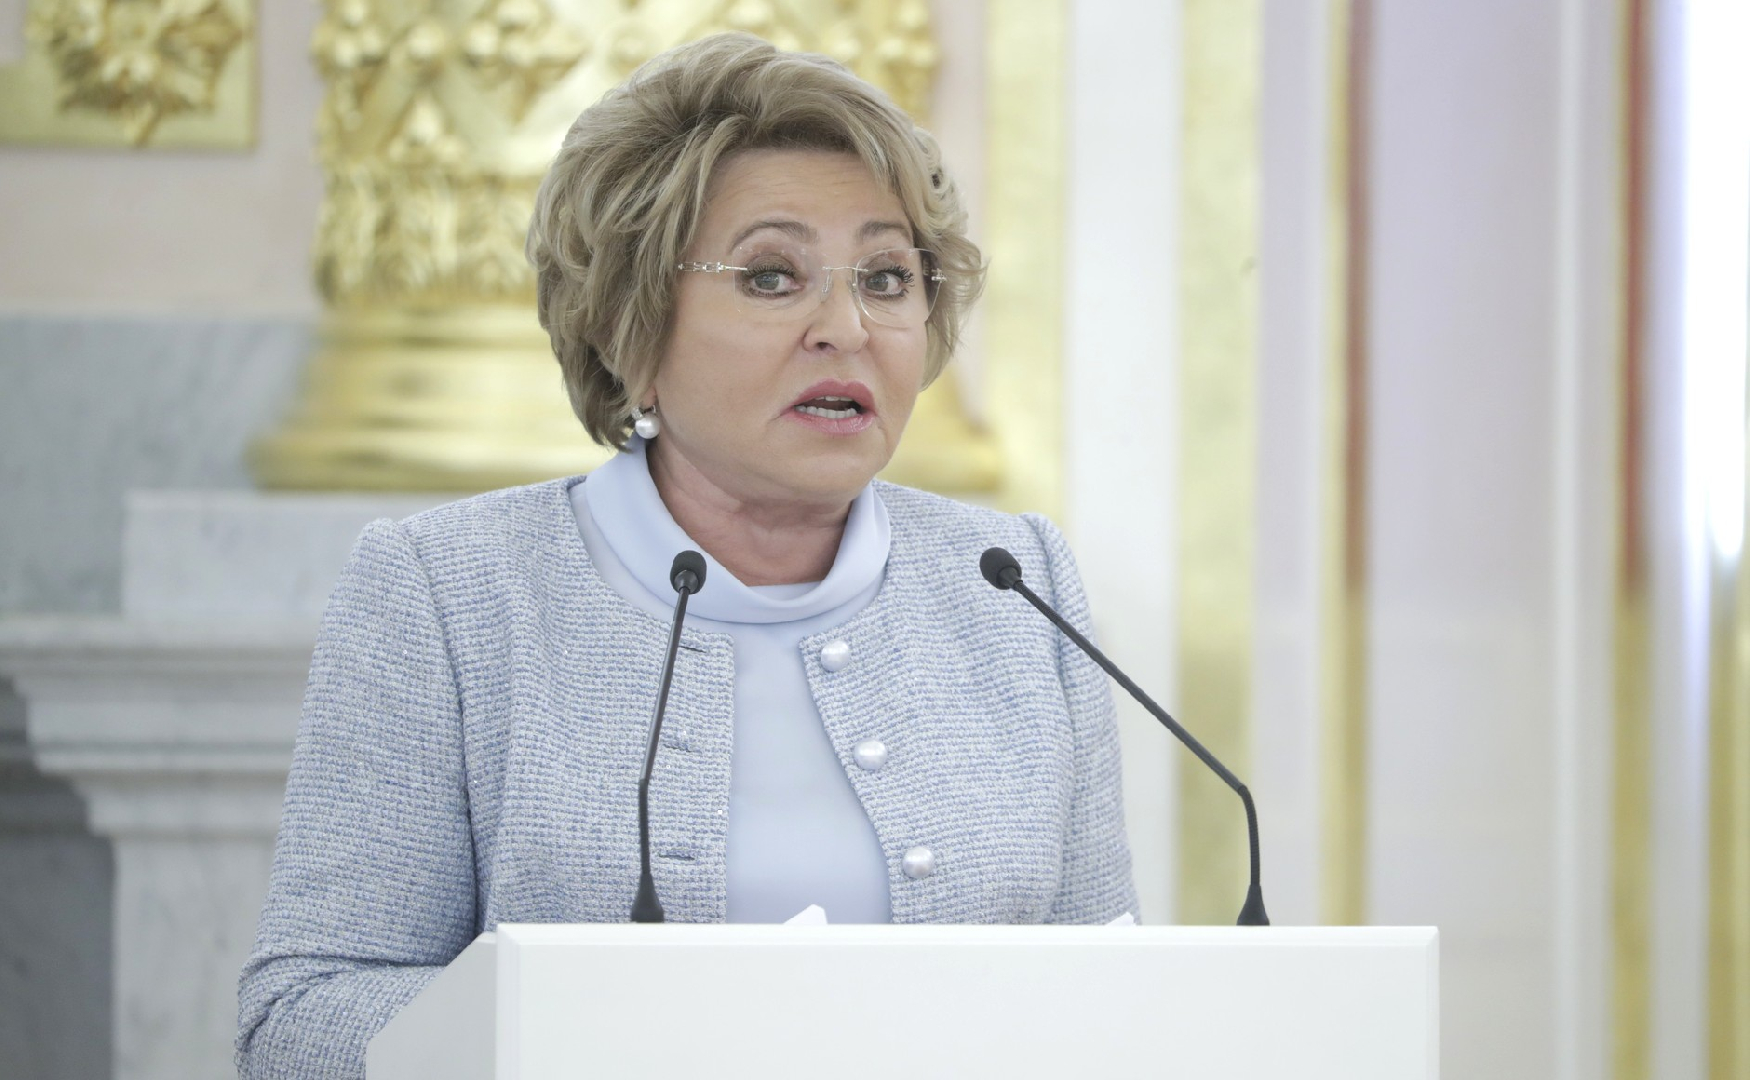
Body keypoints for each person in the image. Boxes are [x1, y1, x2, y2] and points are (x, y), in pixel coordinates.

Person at [236, 31, 1135, 1078]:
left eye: (887, 277)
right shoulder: (448, 592)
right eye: (771, 276)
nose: (846, 327)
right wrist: (623, 1035)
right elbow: (300, 1023)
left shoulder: (1016, 583)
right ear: (632, 329)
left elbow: (1111, 1000)